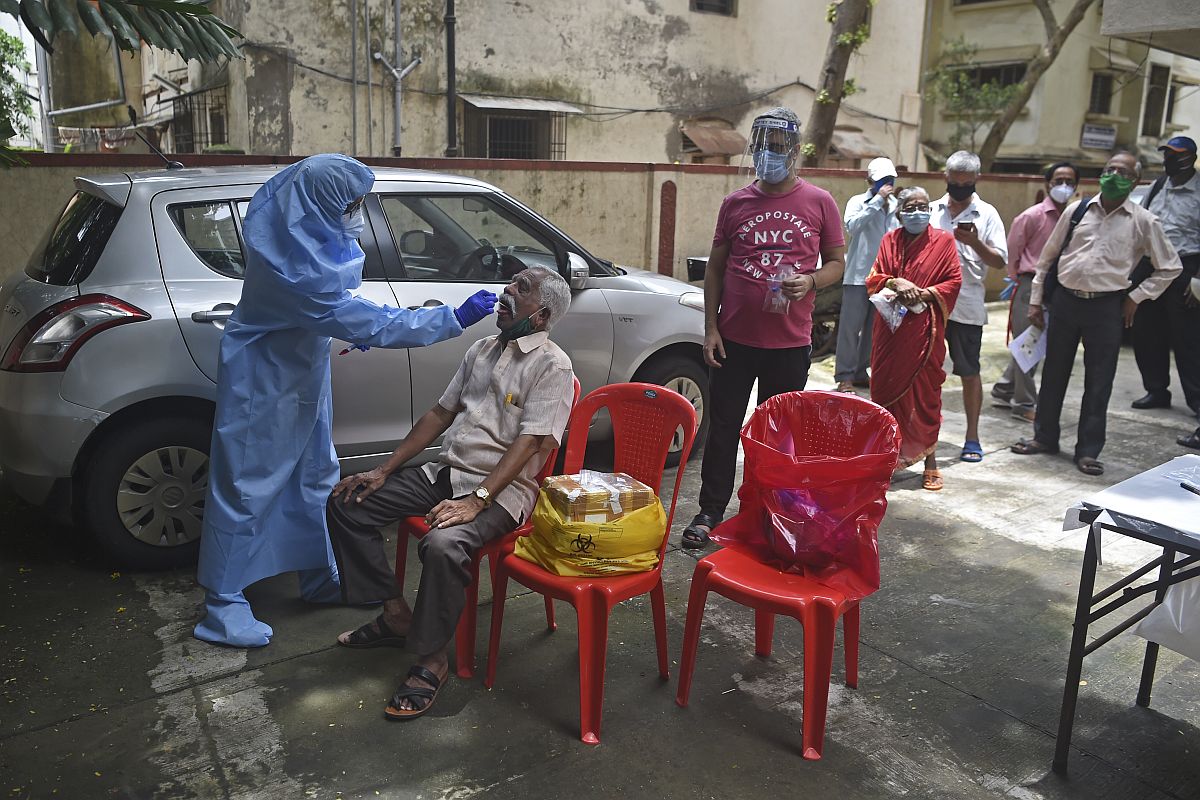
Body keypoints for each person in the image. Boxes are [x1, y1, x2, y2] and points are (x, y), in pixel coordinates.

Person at [194, 154, 498, 648]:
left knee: (313, 476)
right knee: (249, 486)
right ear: (320, 205)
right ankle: (222, 603)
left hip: (298, 377)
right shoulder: (293, 268)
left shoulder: (298, 237)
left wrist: (339, 322)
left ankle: (317, 575)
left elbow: (340, 307)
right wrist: (453, 317)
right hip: (261, 387)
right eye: (351, 205)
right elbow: (358, 316)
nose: (356, 213)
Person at [328, 267, 574, 719]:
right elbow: (440, 414)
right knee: (349, 501)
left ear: (540, 315)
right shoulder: (481, 349)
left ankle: (431, 658)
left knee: (443, 545)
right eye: (511, 282)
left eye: (520, 289)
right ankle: (396, 613)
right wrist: (384, 469)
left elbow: (530, 445)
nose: (505, 292)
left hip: (501, 491)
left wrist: (477, 500)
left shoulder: (553, 366)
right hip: (446, 472)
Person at [680, 106, 846, 549]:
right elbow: (715, 270)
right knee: (723, 428)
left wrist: (810, 280)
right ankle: (710, 510)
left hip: (790, 343)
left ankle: (764, 509)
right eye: (762, 147)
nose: (768, 155)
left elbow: (836, 265)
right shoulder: (736, 203)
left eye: (777, 147)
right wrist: (710, 329)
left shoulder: (819, 202)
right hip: (734, 340)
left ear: (793, 151)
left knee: (776, 435)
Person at [1012, 152, 1182, 476]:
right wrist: (1036, 300)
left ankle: (1088, 451)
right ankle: (1044, 438)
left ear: (1134, 181)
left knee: (1099, 380)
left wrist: (1137, 296)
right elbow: (1046, 259)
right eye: (1109, 169)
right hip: (1065, 301)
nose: (1113, 175)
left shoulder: (1144, 221)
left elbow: (1170, 267)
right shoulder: (1077, 210)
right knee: (1053, 375)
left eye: (1122, 172)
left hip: (1107, 306)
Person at [867, 187, 962, 491]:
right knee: (884, 390)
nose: (917, 211)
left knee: (926, 396)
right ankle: (885, 460)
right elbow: (875, 277)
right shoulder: (889, 240)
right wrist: (897, 281)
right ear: (900, 213)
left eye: (923, 206)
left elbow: (953, 280)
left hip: (925, 330)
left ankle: (930, 462)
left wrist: (924, 293)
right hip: (890, 332)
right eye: (910, 206)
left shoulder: (944, 241)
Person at [929, 151, 1008, 464]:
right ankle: (924, 436)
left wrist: (974, 243)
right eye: (954, 182)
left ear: (976, 180)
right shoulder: (931, 210)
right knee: (926, 373)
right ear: (945, 178)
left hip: (967, 307)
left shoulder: (987, 214)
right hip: (931, 303)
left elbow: (1000, 261)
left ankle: (972, 437)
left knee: (968, 371)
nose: (959, 188)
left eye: (966, 183)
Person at [991, 162, 1079, 423]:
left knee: (1033, 344)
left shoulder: (1075, 216)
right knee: (1028, 344)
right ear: (1048, 183)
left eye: (1069, 181)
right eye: (1058, 179)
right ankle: (1024, 403)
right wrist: (1022, 284)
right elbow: (1013, 253)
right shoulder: (1032, 217)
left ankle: (1005, 388)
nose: (1063, 185)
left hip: (1060, 287)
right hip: (1031, 285)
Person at [1129, 136, 1200, 448]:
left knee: (1187, 339)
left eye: (1176, 155)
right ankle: (1157, 389)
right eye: (1167, 154)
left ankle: (1197, 402)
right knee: (1146, 330)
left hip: (1187, 265)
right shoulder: (1158, 186)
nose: (1169, 160)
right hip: (1151, 263)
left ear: (1190, 159)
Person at [835, 156, 899, 393]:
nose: (887, 185)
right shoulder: (858, 202)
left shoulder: (895, 206)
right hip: (858, 275)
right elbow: (852, 227)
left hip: (885, 278)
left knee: (875, 328)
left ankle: (861, 371)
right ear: (870, 180)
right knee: (850, 328)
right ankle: (844, 375)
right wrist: (876, 202)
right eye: (882, 180)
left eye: (890, 180)